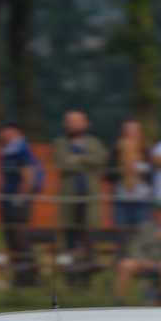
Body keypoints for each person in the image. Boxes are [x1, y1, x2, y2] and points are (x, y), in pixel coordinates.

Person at [54, 110, 108, 258]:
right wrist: (87, 160)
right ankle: (69, 272)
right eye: (70, 122)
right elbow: (62, 164)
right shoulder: (60, 143)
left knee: (88, 234)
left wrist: (77, 158)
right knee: (69, 235)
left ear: (85, 124)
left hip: (89, 197)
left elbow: (100, 160)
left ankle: (88, 268)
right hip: (69, 197)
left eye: (77, 121)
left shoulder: (95, 142)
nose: (73, 125)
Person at [115, 202, 161, 304]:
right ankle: (119, 302)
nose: (159, 215)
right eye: (157, 212)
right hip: (146, 262)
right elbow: (135, 248)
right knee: (125, 265)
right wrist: (142, 261)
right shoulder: (146, 227)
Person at [0, 121, 45, 263]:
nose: (3, 134)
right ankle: (19, 270)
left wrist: (21, 197)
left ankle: (28, 270)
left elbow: (29, 175)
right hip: (9, 198)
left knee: (19, 234)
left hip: (17, 200)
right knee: (10, 235)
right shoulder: (7, 150)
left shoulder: (21, 150)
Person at [110, 118, 151, 230]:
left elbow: (152, 173)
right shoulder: (116, 149)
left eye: (134, 130)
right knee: (122, 234)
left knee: (142, 234)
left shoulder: (146, 149)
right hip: (121, 199)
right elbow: (109, 173)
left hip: (141, 200)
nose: (131, 133)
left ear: (139, 132)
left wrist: (136, 167)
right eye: (128, 130)